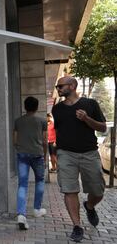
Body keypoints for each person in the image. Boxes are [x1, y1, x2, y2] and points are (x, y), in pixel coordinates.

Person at [52, 76, 106, 243]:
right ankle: (77, 226)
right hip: (66, 154)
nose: (58, 89)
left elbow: (103, 127)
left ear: (72, 86)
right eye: (57, 86)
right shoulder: (57, 109)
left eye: (60, 86)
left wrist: (86, 119)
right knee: (69, 189)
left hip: (89, 153)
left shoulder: (90, 104)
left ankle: (89, 206)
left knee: (98, 191)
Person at [13, 96, 47, 230]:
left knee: (22, 184)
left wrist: (20, 149)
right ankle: (37, 209)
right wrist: (44, 155)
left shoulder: (18, 121)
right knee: (40, 180)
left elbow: (14, 140)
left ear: (24, 107)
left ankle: (21, 215)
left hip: (22, 154)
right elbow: (45, 140)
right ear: (37, 107)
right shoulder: (42, 121)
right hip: (38, 154)